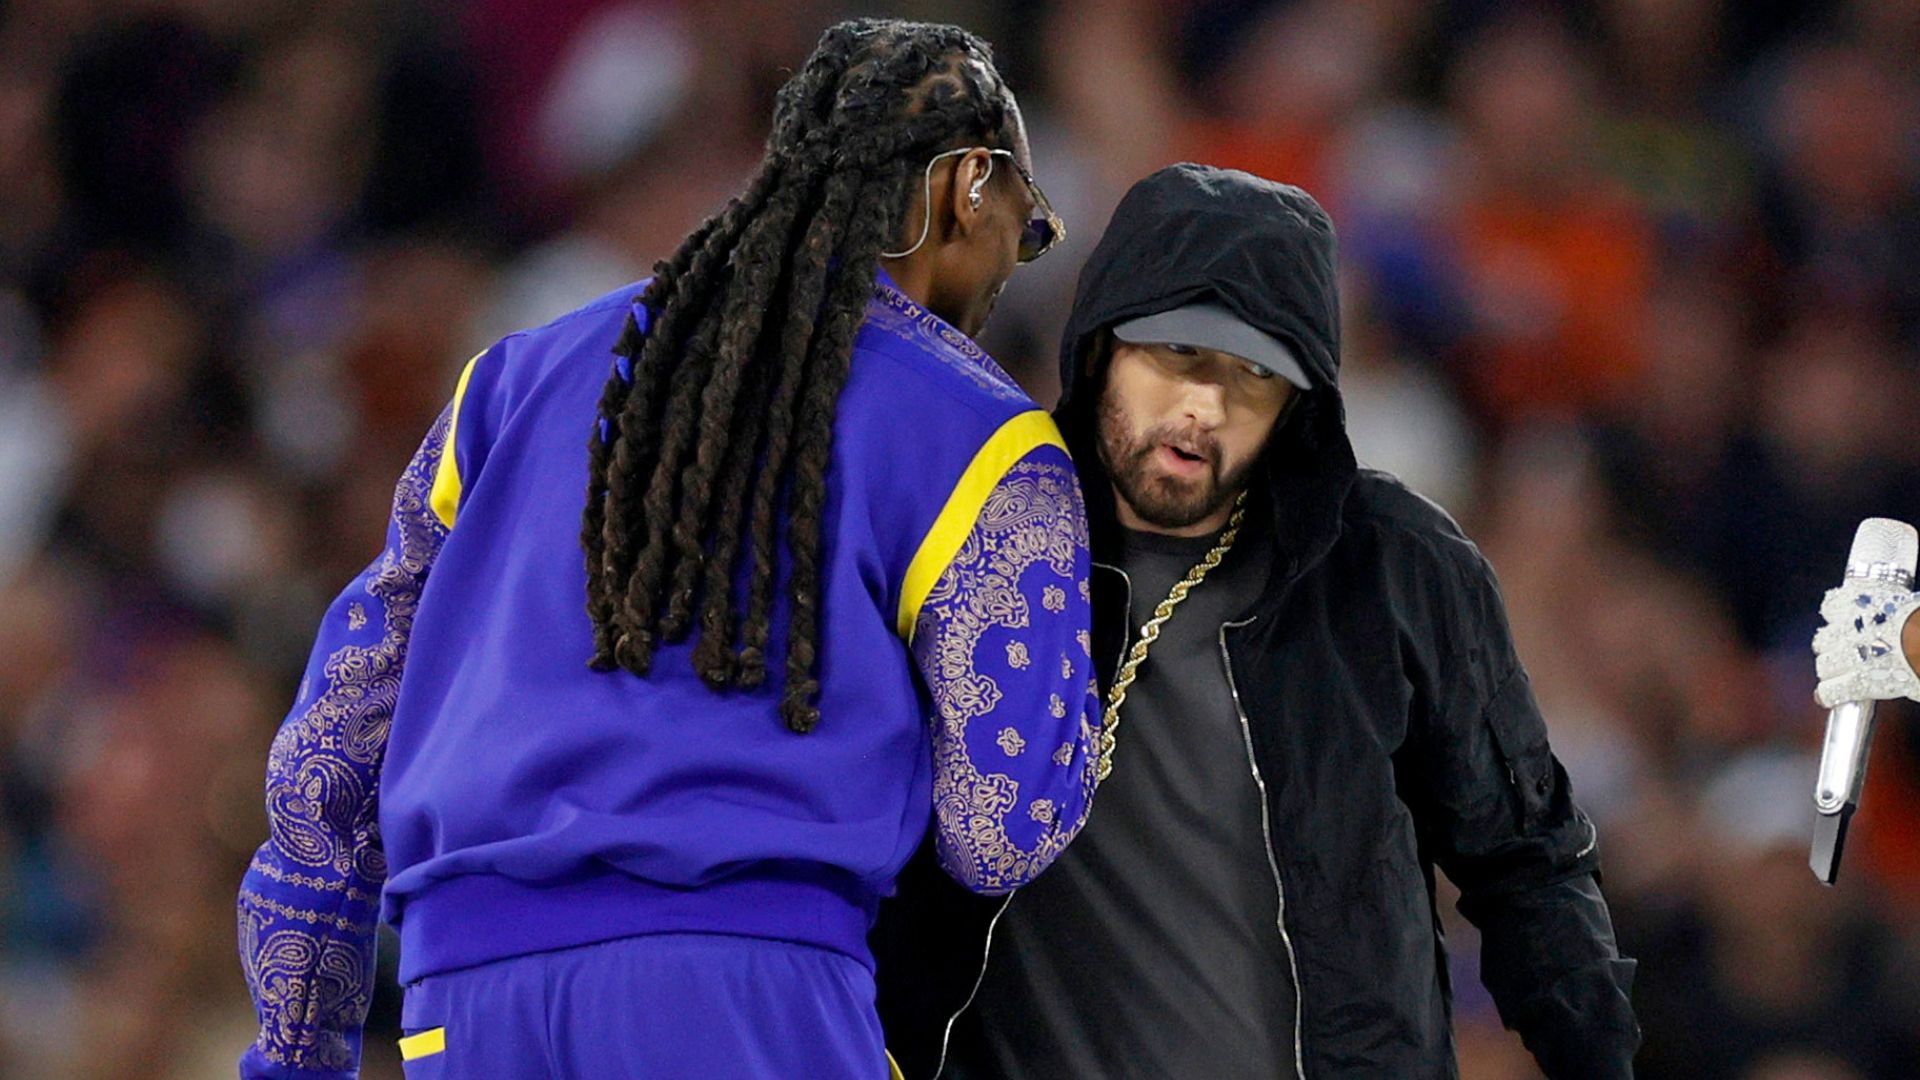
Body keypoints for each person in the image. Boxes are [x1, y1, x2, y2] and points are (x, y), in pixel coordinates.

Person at [236, 19, 1102, 1079]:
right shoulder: (981, 429)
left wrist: (295, 1052)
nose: (1017, 266)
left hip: (464, 993)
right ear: (972, 185)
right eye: (1030, 230)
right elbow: (1003, 826)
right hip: (746, 985)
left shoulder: (506, 386)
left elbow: (330, 749)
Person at [873, 164, 1640, 1079]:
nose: (1206, 406)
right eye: (1178, 357)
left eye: (1253, 376)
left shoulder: (1391, 564)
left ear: (1299, 403)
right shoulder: (970, 531)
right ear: (1100, 346)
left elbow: (1529, 864)